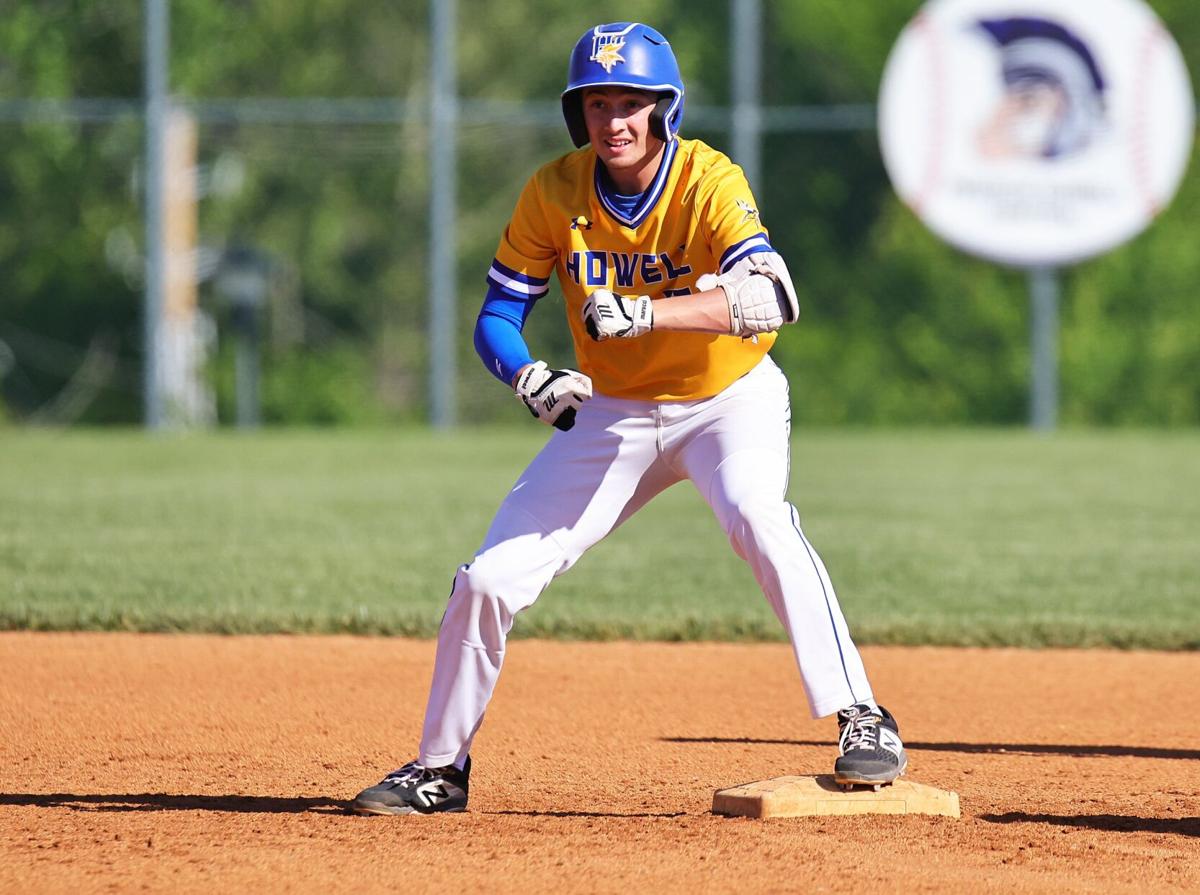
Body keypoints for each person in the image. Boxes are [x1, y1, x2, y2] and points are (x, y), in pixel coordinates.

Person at [351, 21, 906, 816]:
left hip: (726, 399)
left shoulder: (707, 179)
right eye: (599, 102)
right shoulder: (554, 190)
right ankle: (440, 768)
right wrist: (529, 375)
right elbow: (497, 316)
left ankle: (863, 716)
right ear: (579, 114)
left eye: (633, 103)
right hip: (611, 413)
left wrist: (648, 312)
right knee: (487, 579)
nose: (615, 120)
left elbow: (772, 296)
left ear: (664, 110)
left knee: (758, 514)